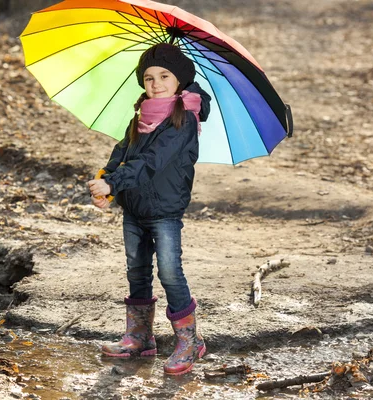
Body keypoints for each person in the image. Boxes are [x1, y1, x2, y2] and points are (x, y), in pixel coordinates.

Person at [88, 43, 211, 375]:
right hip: (135, 208)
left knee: (170, 272)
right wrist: (107, 182)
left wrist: (115, 183)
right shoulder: (141, 114)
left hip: (165, 209)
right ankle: (140, 337)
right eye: (148, 77)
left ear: (180, 80)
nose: (155, 83)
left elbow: (152, 161)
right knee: (137, 270)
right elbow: (123, 152)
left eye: (164, 76)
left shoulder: (183, 119)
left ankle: (189, 341)